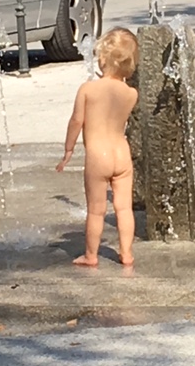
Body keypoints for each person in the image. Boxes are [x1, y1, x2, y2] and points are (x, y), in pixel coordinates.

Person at [56, 28, 139, 268]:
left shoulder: (88, 89)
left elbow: (76, 121)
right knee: (124, 208)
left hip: (98, 157)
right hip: (122, 154)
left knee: (96, 210)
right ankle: (127, 253)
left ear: (102, 59)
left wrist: (68, 150)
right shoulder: (131, 93)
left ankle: (91, 255)